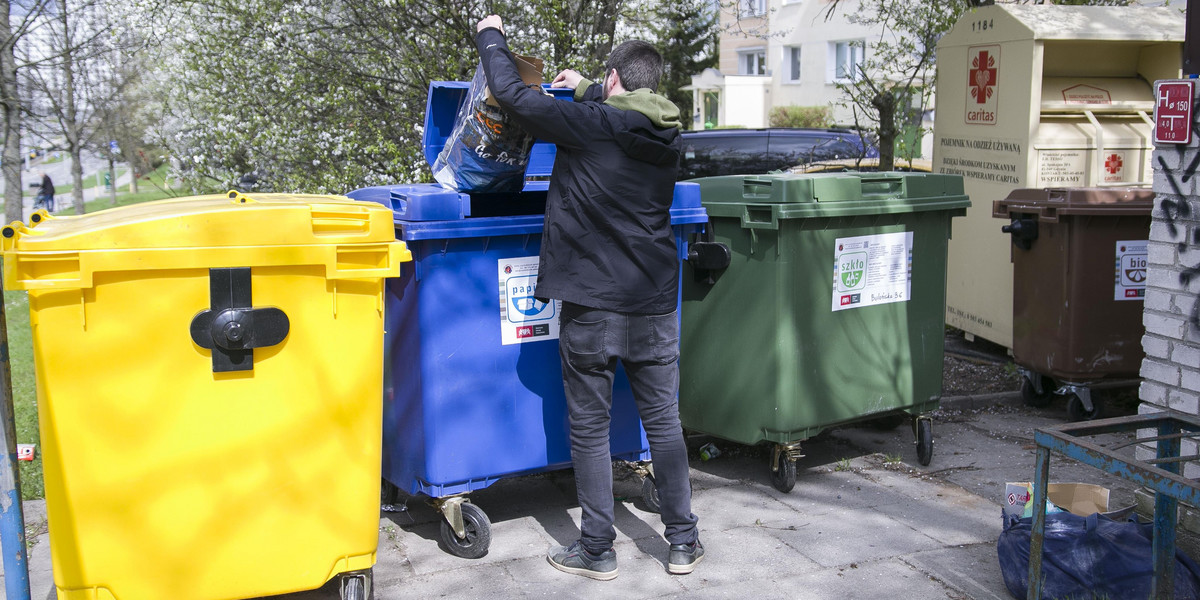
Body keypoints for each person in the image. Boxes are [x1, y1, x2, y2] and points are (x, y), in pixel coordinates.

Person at [474, 15, 702, 580]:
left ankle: (597, 549)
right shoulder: (668, 136)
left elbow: (509, 93)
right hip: (652, 298)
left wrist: (491, 35)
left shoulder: (592, 124)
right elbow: (617, 107)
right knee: (664, 424)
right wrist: (587, 87)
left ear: (614, 79)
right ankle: (683, 541)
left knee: (591, 428)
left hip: (592, 304)